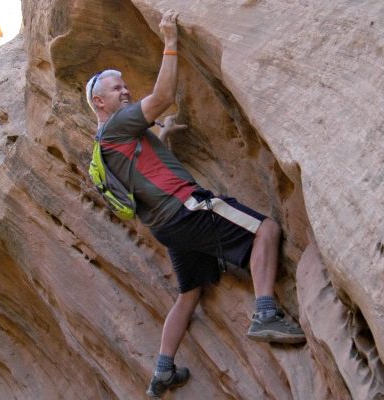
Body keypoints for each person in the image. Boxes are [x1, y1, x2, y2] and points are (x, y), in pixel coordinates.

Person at [85, 9, 305, 398]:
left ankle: (163, 370)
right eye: (117, 89)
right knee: (266, 230)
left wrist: (163, 137)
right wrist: (170, 42)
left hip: (166, 226)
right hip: (186, 207)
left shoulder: (108, 141)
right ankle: (267, 312)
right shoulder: (116, 125)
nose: (126, 92)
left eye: (124, 87)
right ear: (99, 102)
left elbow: (142, 170)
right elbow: (163, 97)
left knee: (190, 292)